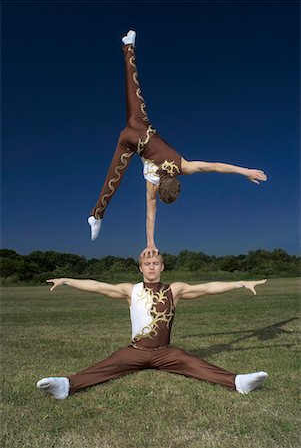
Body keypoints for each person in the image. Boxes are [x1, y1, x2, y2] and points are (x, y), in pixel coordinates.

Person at [88, 30, 267, 257]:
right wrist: (150, 243)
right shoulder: (152, 185)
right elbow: (150, 216)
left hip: (139, 123)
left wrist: (246, 171)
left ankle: (129, 47)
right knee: (112, 181)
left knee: (133, 88)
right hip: (128, 143)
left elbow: (215, 166)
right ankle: (97, 215)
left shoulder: (183, 166)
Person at [37, 253, 268, 400]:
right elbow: (97, 286)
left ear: (162, 267)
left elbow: (208, 288)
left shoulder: (174, 290)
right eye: (146, 263)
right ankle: (66, 386)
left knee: (193, 362)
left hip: (165, 353)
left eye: (155, 263)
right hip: (135, 351)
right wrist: (67, 280)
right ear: (140, 268)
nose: (151, 267)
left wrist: (241, 283)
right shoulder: (130, 290)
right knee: (109, 364)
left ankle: (238, 382)